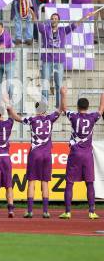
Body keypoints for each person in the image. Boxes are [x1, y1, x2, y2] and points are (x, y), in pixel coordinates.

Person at [7, 87, 66, 218]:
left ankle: (30, 210)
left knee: (32, 181)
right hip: (46, 154)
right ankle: (45, 211)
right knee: (45, 182)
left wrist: (10, 109)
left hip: (35, 154)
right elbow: (61, 109)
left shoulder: (32, 120)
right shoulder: (50, 118)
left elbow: (17, 118)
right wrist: (63, 95)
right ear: (44, 110)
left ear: (36, 109)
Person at [31, 9, 94, 108]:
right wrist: (32, 13)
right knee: (45, 84)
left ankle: (58, 107)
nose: (54, 20)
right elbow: (36, 22)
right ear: (50, 20)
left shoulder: (63, 30)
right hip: (46, 60)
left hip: (59, 61)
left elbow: (75, 24)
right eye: (52, 18)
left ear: (59, 21)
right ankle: (44, 107)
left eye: (56, 18)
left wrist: (86, 16)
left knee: (59, 85)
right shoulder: (45, 29)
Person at [59, 90, 104, 220]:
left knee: (69, 182)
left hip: (75, 154)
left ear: (78, 107)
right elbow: (101, 109)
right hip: (87, 155)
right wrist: (102, 96)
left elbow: (64, 108)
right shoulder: (92, 117)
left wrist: (63, 94)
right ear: (88, 107)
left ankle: (67, 212)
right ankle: (91, 211)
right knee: (90, 182)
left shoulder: (73, 116)